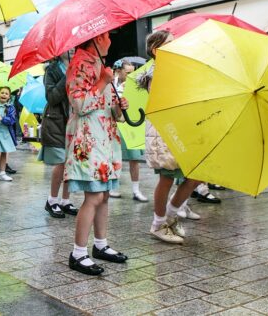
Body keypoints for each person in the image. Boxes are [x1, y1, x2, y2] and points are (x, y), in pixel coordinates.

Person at [65, 31, 129, 275]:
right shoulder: (78, 64)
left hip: (106, 138)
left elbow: (109, 107)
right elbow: (80, 105)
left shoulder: (102, 65)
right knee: (93, 196)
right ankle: (78, 253)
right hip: (88, 138)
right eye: (106, 36)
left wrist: (119, 107)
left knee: (104, 195)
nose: (110, 40)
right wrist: (102, 81)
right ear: (95, 38)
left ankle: (100, 244)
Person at [138, 31, 200, 245]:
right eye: (170, 44)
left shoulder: (174, 70)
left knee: (196, 175)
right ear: (156, 50)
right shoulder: (156, 74)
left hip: (180, 130)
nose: (175, 46)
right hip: (165, 133)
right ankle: (158, 224)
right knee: (166, 178)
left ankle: (171, 216)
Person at [39, 53, 78, 218]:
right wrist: (67, 76)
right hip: (57, 121)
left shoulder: (79, 65)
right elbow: (52, 97)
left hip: (75, 118)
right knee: (61, 162)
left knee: (71, 162)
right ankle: (52, 200)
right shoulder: (51, 70)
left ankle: (65, 200)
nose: (72, 48)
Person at [111, 58, 148, 202]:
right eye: (127, 73)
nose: (130, 75)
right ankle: (113, 187)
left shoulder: (134, 84)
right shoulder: (111, 84)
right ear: (118, 71)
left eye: (132, 72)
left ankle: (136, 190)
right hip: (116, 123)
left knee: (134, 158)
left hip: (130, 122)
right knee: (114, 156)